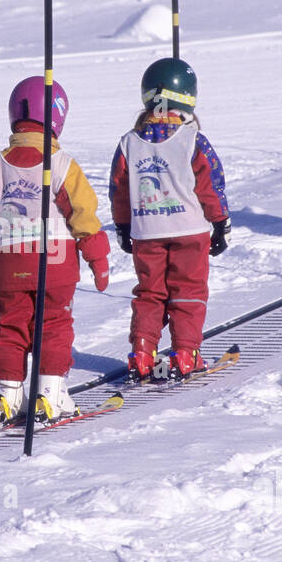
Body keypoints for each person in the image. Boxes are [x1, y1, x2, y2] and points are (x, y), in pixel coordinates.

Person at [0, 77, 109, 423]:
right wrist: (97, 257)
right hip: (54, 259)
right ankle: (49, 393)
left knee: (11, 326)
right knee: (54, 324)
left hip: (9, 262)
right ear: (57, 117)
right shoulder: (62, 165)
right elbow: (82, 213)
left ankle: (7, 396)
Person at [110, 58, 230, 382]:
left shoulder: (128, 143)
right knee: (187, 291)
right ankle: (185, 353)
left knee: (150, 293)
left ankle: (142, 354)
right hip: (190, 230)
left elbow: (119, 190)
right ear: (189, 98)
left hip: (147, 231)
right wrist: (220, 222)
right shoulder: (192, 140)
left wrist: (122, 226)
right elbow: (211, 185)